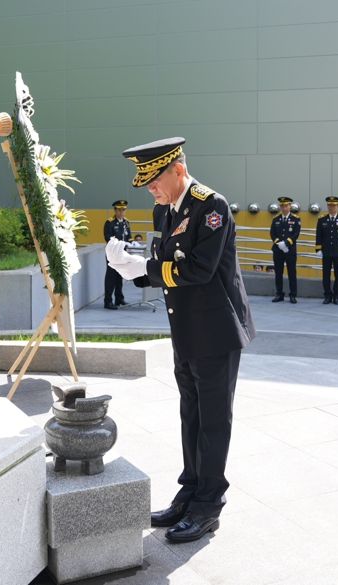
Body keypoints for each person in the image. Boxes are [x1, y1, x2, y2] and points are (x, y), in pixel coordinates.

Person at [105, 137, 255, 543]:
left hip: (216, 329)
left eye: (155, 181)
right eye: (147, 183)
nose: (151, 190)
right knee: (191, 415)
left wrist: (144, 269)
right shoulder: (165, 210)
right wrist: (134, 267)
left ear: (178, 171)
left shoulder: (212, 207)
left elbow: (199, 269)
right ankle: (189, 493)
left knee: (213, 421)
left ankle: (209, 505)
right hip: (186, 328)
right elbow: (168, 262)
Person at [315, 196, 338, 305]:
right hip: (326, 252)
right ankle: (327, 296)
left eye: (334, 205)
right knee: (325, 275)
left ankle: (337, 296)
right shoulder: (322, 220)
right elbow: (319, 236)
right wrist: (318, 249)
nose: (332, 207)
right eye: (330, 205)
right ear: (327, 206)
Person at [270, 196, 300, 303]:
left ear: (290, 206)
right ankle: (279, 294)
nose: (284, 208)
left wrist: (286, 243)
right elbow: (272, 233)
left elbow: (296, 234)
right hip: (278, 250)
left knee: (292, 272)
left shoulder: (296, 219)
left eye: (286, 205)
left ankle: (293, 295)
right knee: (278, 272)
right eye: (282, 206)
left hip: (290, 250)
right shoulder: (276, 219)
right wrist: (279, 243)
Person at [103, 199, 131, 309]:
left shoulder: (126, 222)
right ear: (115, 210)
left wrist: (132, 242)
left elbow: (129, 236)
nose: (121, 212)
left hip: (123, 253)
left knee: (120, 275)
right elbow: (108, 237)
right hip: (113, 253)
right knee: (111, 277)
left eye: (123, 210)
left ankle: (119, 298)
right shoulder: (109, 222)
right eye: (119, 210)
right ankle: (108, 301)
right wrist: (120, 243)